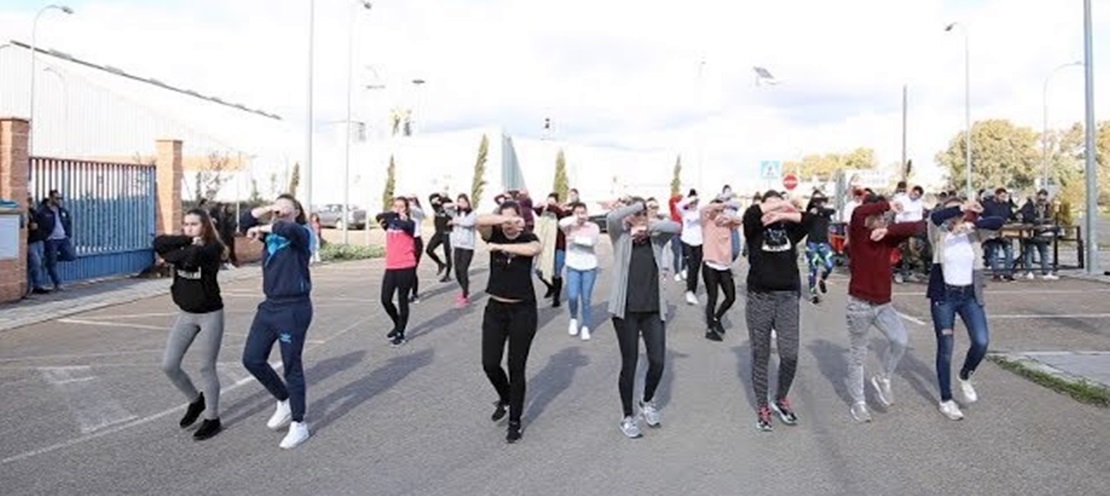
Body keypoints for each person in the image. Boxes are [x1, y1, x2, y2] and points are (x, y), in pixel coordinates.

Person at [239, 194, 316, 449]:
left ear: (297, 210)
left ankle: (299, 424)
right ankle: (283, 400)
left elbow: (287, 228)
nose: (280, 211)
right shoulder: (271, 234)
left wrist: (265, 224)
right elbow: (242, 222)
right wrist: (265, 211)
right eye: (277, 207)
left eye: (286, 207)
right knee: (252, 359)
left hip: (294, 308)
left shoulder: (302, 234)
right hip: (269, 306)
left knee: (291, 365)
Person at [843, 195, 926, 423]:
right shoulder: (859, 236)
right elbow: (858, 214)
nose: (880, 220)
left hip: (884, 306)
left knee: (900, 340)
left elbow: (918, 226)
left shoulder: (887, 238)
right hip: (859, 304)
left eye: (882, 217)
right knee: (857, 355)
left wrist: (888, 232)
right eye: (876, 216)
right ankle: (859, 403)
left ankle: (883, 377)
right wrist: (887, 204)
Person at [606, 197, 680, 438]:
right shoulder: (620, 236)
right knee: (630, 364)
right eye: (634, 214)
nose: (637, 217)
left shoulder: (657, 239)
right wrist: (632, 210)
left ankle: (646, 401)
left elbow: (676, 227)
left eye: (642, 213)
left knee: (658, 361)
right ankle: (627, 417)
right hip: (625, 310)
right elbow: (611, 218)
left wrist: (649, 226)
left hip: (652, 309)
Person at [153, 208, 228, 441]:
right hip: (186, 314)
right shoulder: (185, 242)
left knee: (206, 367)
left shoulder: (212, 248)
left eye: (194, 224)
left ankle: (213, 418)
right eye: (185, 224)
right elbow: (158, 243)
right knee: (169, 365)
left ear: (204, 226)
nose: (189, 228)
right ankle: (196, 401)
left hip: (210, 315)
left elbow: (190, 259)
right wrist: (186, 241)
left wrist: (174, 255)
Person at [742, 191, 815, 432]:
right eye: (769, 206)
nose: (774, 211)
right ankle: (762, 405)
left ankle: (780, 397)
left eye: (778, 206)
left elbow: (809, 220)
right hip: (760, 297)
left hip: (787, 297)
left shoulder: (790, 230)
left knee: (790, 354)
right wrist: (776, 206)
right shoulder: (754, 227)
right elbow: (751, 214)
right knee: (760, 355)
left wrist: (785, 212)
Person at [927, 198, 1004, 420]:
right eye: (954, 211)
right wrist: (958, 209)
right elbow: (935, 218)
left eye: (961, 211)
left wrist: (976, 217)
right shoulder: (939, 234)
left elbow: (997, 221)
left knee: (981, 341)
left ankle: (965, 375)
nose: (957, 216)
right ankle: (946, 399)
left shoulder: (973, 234)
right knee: (946, 348)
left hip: (969, 295)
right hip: (944, 297)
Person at [476, 201, 543, 443]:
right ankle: (505, 397)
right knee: (490, 364)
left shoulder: (528, 236)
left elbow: (535, 249)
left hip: (523, 312)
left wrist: (503, 244)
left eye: (514, 220)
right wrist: (501, 223)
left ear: (521, 220)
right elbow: (479, 221)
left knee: (516, 368)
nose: (510, 225)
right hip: (495, 310)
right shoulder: (492, 233)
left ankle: (515, 420)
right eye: (505, 221)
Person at [376, 198, 419, 346]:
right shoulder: (389, 222)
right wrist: (392, 214)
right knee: (385, 299)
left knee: (402, 300)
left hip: (406, 266)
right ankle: (397, 323)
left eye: (402, 207)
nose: (398, 209)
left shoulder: (410, 224)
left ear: (406, 209)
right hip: (391, 266)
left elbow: (404, 225)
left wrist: (397, 216)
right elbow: (378, 217)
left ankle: (401, 332)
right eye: (396, 206)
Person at [700, 198, 743, 342]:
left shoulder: (728, 222)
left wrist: (726, 215)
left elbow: (739, 220)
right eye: (716, 210)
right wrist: (718, 206)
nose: (719, 213)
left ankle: (717, 317)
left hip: (724, 265)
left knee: (731, 297)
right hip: (710, 264)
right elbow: (703, 210)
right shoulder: (708, 221)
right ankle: (710, 327)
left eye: (721, 210)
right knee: (712, 297)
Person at [559, 201, 601, 341]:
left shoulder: (593, 226)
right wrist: (575, 218)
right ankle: (573, 318)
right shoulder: (570, 225)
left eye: (583, 212)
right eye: (578, 212)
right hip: (573, 265)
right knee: (572, 296)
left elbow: (591, 242)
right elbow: (561, 223)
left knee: (586, 298)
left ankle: (585, 326)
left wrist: (574, 239)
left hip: (589, 266)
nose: (581, 215)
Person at [534, 193, 569, 307]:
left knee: (556, 273)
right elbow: (537, 211)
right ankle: (550, 287)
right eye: (548, 201)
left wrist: (550, 206)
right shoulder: (546, 213)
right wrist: (540, 206)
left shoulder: (562, 213)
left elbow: (560, 213)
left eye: (552, 202)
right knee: (539, 271)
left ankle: (556, 299)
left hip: (559, 247)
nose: (549, 204)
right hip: (546, 246)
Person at [1019, 189, 1059, 281]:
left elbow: (1049, 216)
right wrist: (1037, 220)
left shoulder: (1047, 206)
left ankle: (1045, 271)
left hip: (1042, 232)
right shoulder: (1029, 205)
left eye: (1044, 200)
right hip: (1030, 231)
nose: (1042, 202)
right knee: (1029, 251)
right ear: (1037, 197)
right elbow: (1026, 216)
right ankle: (1028, 271)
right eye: (1041, 200)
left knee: (1044, 251)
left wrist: (1048, 222)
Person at [804, 193, 836, 304]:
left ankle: (823, 278)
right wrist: (812, 212)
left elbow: (832, 211)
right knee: (813, 268)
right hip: (812, 243)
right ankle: (813, 294)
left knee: (830, 265)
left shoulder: (825, 212)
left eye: (822, 200)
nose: (820, 203)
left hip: (824, 243)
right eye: (817, 201)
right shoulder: (810, 213)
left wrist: (821, 210)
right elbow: (804, 221)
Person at [37, 190, 73, 291]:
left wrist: (68, 234)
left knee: (71, 255)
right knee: (52, 264)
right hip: (51, 240)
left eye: (60, 198)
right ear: (50, 198)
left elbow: (69, 221)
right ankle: (58, 283)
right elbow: (38, 225)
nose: (59, 201)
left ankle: (48, 260)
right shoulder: (43, 211)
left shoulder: (62, 210)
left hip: (63, 238)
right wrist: (45, 236)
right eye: (57, 198)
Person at [447, 194, 478, 308]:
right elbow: (445, 207)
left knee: (463, 269)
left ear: (468, 202)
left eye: (463, 201)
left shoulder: (472, 213)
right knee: (457, 271)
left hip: (468, 246)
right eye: (459, 201)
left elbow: (468, 223)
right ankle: (465, 287)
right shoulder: (456, 213)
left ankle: (464, 296)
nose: (462, 204)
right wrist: (456, 204)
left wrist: (455, 222)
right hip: (457, 245)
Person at [892, 185, 926, 283]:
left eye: (917, 195)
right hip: (901, 227)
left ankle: (907, 272)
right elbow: (898, 213)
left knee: (911, 251)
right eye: (913, 193)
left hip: (913, 229)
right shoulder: (902, 199)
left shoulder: (919, 203)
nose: (914, 196)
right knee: (902, 251)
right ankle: (900, 272)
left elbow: (919, 217)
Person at [982, 188, 1016, 281]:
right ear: (996, 195)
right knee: (994, 252)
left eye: (1005, 197)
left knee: (1009, 251)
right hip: (992, 231)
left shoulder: (1006, 205)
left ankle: (1007, 273)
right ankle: (996, 274)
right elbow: (983, 217)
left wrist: (1014, 217)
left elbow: (1012, 216)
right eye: (1002, 196)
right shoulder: (987, 205)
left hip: (1005, 231)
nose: (1003, 198)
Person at [676, 189, 703, 305]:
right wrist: (691, 198)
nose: (693, 204)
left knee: (696, 268)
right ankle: (689, 291)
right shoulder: (684, 212)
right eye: (691, 202)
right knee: (691, 266)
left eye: (695, 202)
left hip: (699, 242)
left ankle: (692, 290)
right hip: (687, 241)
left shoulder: (701, 212)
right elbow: (678, 205)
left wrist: (698, 199)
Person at [427, 193, 454, 283]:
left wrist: (442, 199)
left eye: (438, 199)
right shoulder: (435, 206)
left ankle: (447, 275)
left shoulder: (448, 204)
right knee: (429, 250)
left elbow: (450, 205)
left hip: (447, 233)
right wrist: (436, 196)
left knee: (448, 255)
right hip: (438, 233)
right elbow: (430, 198)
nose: (437, 201)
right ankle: (440, 264)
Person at [25, 195, 49, 296]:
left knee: (39, 263)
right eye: (29, 200)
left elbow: (43, 225)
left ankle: (36, 285)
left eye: (31, 200)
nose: (31, 202)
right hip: (31, 241)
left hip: (39, 240)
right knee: (35, 263)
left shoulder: (34, 213)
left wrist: (43, 235)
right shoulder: (24, 213)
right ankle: (34, 285)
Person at [407, 196, 427, 303]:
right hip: (406, 241)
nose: (409, 202)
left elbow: (420, 213)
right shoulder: (404, 213)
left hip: (416, 241)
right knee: (406, 269)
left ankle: (414, 294)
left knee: (412, 269)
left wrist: (411, 201)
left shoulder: (417, 211)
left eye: (411, 200)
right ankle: (409, 291)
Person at [667, 191, 686, 281]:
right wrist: (679, 197)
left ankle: (683, 269)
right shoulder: (673, 206)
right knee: (676, 253)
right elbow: (671, 200)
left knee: (685, 253)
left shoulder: (686, 209)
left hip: (684, 233)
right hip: (674, 232)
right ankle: (676, 272)